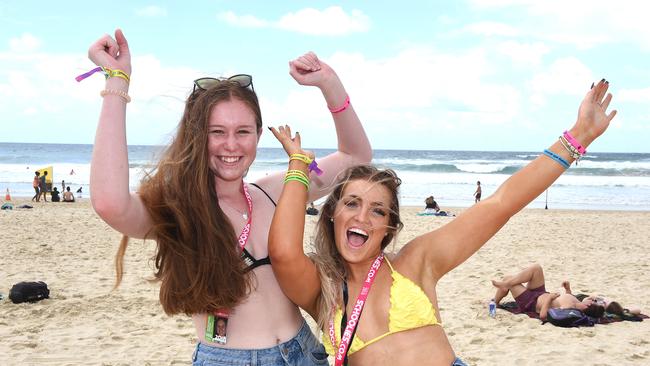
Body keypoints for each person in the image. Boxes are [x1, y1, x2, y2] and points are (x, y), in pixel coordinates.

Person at [267, 79, 616, 365]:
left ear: (389, 226)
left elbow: (500, 204)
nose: (362, 217)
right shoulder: (321, 288)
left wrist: (577, 138)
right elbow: (283, 253)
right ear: (332, 214)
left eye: (377, 210)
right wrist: (298, 166)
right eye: (352, 204)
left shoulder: (415, 263)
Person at [87, 29, 371, 365]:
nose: (231, 146)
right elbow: (109, 202)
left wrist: (330, 83)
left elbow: (355, 157)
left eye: (243, 132)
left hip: (303, 352)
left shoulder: (276, 190)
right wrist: (117, 82)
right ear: (196, 135)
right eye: (216, 132)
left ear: (259, 134)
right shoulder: (177, 208)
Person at [491, 263, 605, 321]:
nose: (591, 298)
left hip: (530, 302)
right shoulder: (576, 301)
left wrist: (550, 299)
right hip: (540, 292)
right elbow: (567, 297)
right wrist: (568, 290)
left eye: (593, 300)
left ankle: (496, 301)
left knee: (508, 279)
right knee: (537, 268)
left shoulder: (569, 309)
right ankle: (506, 285)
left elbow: (543, 316)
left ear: (588, 305)